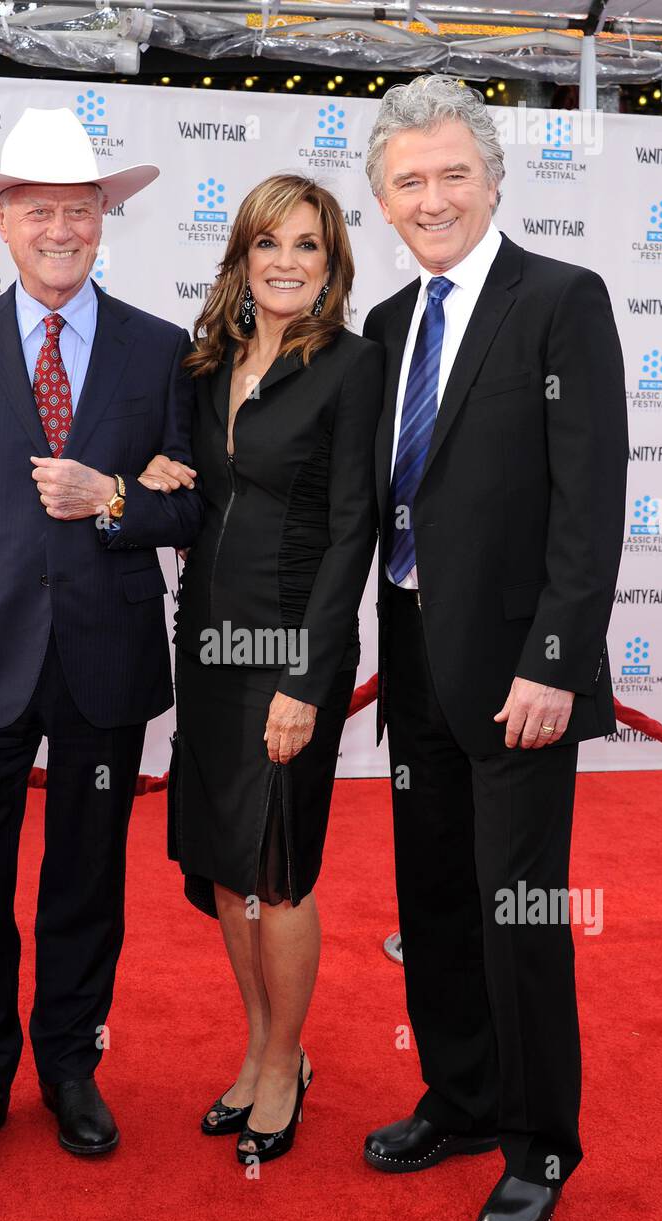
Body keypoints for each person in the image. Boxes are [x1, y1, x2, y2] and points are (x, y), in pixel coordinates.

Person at [0, 108, 203, 1184]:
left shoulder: (163, 350)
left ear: (103, 222)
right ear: (1, 222)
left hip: (104, 658)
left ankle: (70, 1065)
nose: (61, 230)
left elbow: (191, 509)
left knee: (85, 878)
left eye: (80, 211)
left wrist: (113, 499)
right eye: (39, 212)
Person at [361, 76, 628, 1221]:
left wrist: (555, 661)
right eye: (409, 181)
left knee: (520, 910)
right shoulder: (385, 324)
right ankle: (462, 1099)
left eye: (452, 174)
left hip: (524, 671)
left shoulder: (561, 300)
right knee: (437, 899)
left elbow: (592, 501)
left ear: (493, 179)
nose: (434, 198)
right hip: (412, 656)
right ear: (383, 198)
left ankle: (538, 1142)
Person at [140, 175, 383, 1165]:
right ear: (241, 253)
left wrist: (305, 678)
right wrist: (153, 473)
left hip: (290, 646)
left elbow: (351, 527)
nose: (286, 261)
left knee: (276, 872)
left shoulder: (352, 367)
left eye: (309, 246)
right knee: (224, 868)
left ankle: (285, 1060)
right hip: (204, 642)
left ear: (331, 266)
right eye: (269, 242)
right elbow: (196, 497)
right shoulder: (206, 365)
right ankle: (257, 1044)